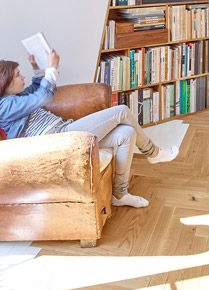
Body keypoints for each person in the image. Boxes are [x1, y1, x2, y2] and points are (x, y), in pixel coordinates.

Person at [0, 50, 178, 208]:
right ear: (5, 82)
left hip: (64, 132)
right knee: (122, 111)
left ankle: (120, 194)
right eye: (17, 75)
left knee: (126, 133)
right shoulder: (4, 106)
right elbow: (43, 95)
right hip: (57, 140)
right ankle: (153, 153)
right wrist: (52, 69)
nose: (21, 77)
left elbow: (35, 89)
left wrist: (37, 68)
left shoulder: (15, 97)